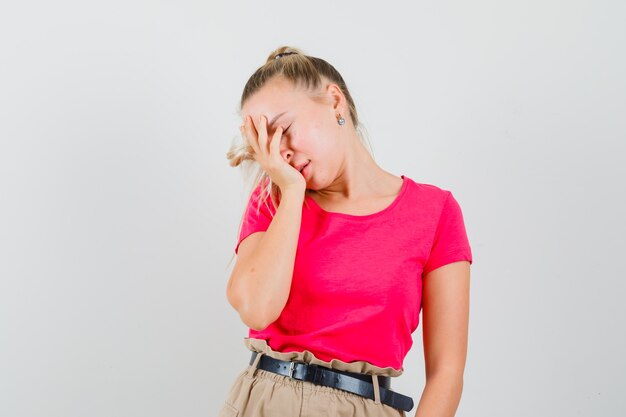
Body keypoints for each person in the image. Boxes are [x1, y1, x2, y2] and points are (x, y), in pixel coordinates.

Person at [222, 46, 473, 417]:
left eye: (284, 129)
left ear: (334, 102)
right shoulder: (273, 200)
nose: (281, 153)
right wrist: (291, 191)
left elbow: (447, 372)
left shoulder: (435, 213)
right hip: (267, 403)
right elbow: (257, 310)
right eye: (266, 144)